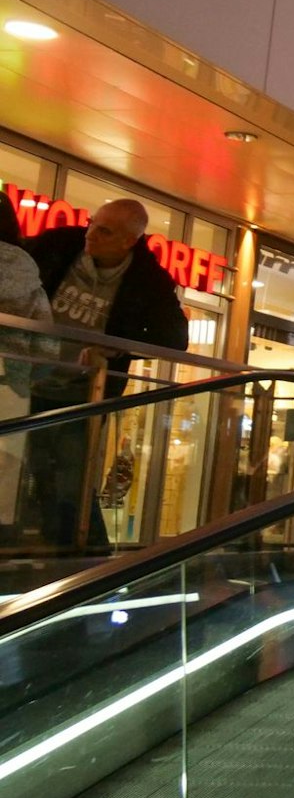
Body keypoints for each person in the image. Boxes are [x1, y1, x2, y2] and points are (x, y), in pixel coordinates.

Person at [24, 198, 189, 546]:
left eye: (104, 230)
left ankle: (86, 558)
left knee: (75, 481)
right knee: (30, 471)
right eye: (92, 223)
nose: (91, 234)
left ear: (129, 240)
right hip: (28, 383)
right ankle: (44, 550)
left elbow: (174, 338)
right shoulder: (59, 245)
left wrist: (115, 345)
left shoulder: (148, 279)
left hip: (86, 395)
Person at [0, 206, 51, 541]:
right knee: (4, 470)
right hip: (13, 384)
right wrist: (35, 374)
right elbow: (47, 343)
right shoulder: (29, 274)